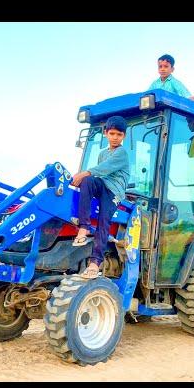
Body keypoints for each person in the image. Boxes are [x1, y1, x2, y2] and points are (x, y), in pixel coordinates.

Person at [71, 115, 130, 279]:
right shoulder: (103, 153)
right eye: (112, 134)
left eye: (119, 134)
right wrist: (81, 179)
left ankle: (95, 263)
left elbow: (104, 168)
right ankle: (83, 228)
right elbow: (98, 175)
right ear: (106, 133)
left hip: (114, 192)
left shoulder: (122, 153)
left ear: (123, 136)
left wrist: (84, 173)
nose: (115, 138)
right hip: (103, 186)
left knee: (103, 222)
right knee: (88, 181)